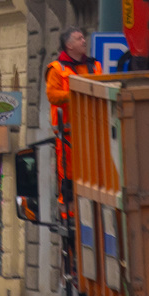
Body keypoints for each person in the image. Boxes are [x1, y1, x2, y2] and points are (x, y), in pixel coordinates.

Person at [45, 27, 103, 208]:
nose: (84, 41)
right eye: (79, 39)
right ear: (69, 45)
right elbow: (52, 95)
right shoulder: (56, 69)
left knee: (97, 175)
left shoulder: (95, 66)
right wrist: (75, 95)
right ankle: (69, 218)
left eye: (83, 38)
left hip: (94, 132)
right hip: (68, 135)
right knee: (68, 178)